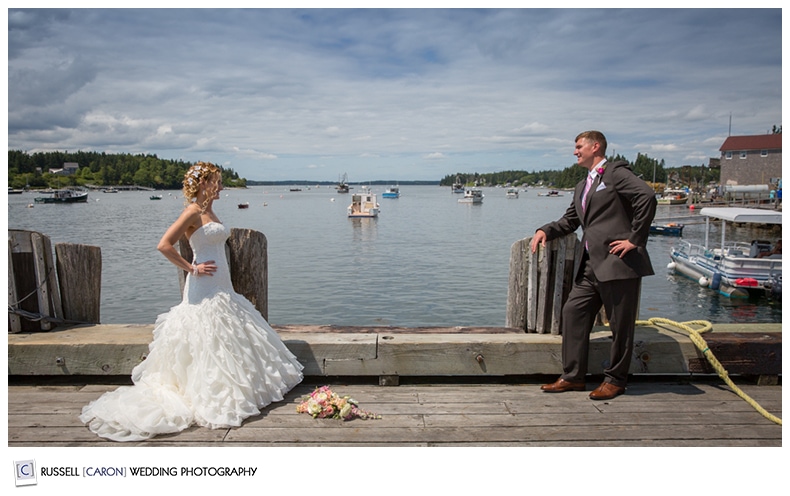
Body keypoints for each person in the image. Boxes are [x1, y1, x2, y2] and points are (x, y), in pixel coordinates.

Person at [80, 162, 303, 441]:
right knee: (204, 334)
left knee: (227, 335)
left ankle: (236, 385)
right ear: (203, 184)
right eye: (217, 182)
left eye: (221, 182)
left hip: (222, 284)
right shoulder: (192, 211)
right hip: (202, 285)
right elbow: (164, 244)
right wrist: (191, 268)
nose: (221, 186)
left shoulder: (209, 210)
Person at [530, 131, 657, 400]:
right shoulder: (582, 185)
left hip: (619, 263)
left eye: (579, 147)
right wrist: (544, 230)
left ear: (595, 146)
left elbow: (646, 196)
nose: (575, 152)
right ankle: (573, 376)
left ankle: (616, 380)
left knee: (620, 327)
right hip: (591, 266)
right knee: (573, 312)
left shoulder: (615, 173)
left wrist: (635, 239)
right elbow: (570, 221)